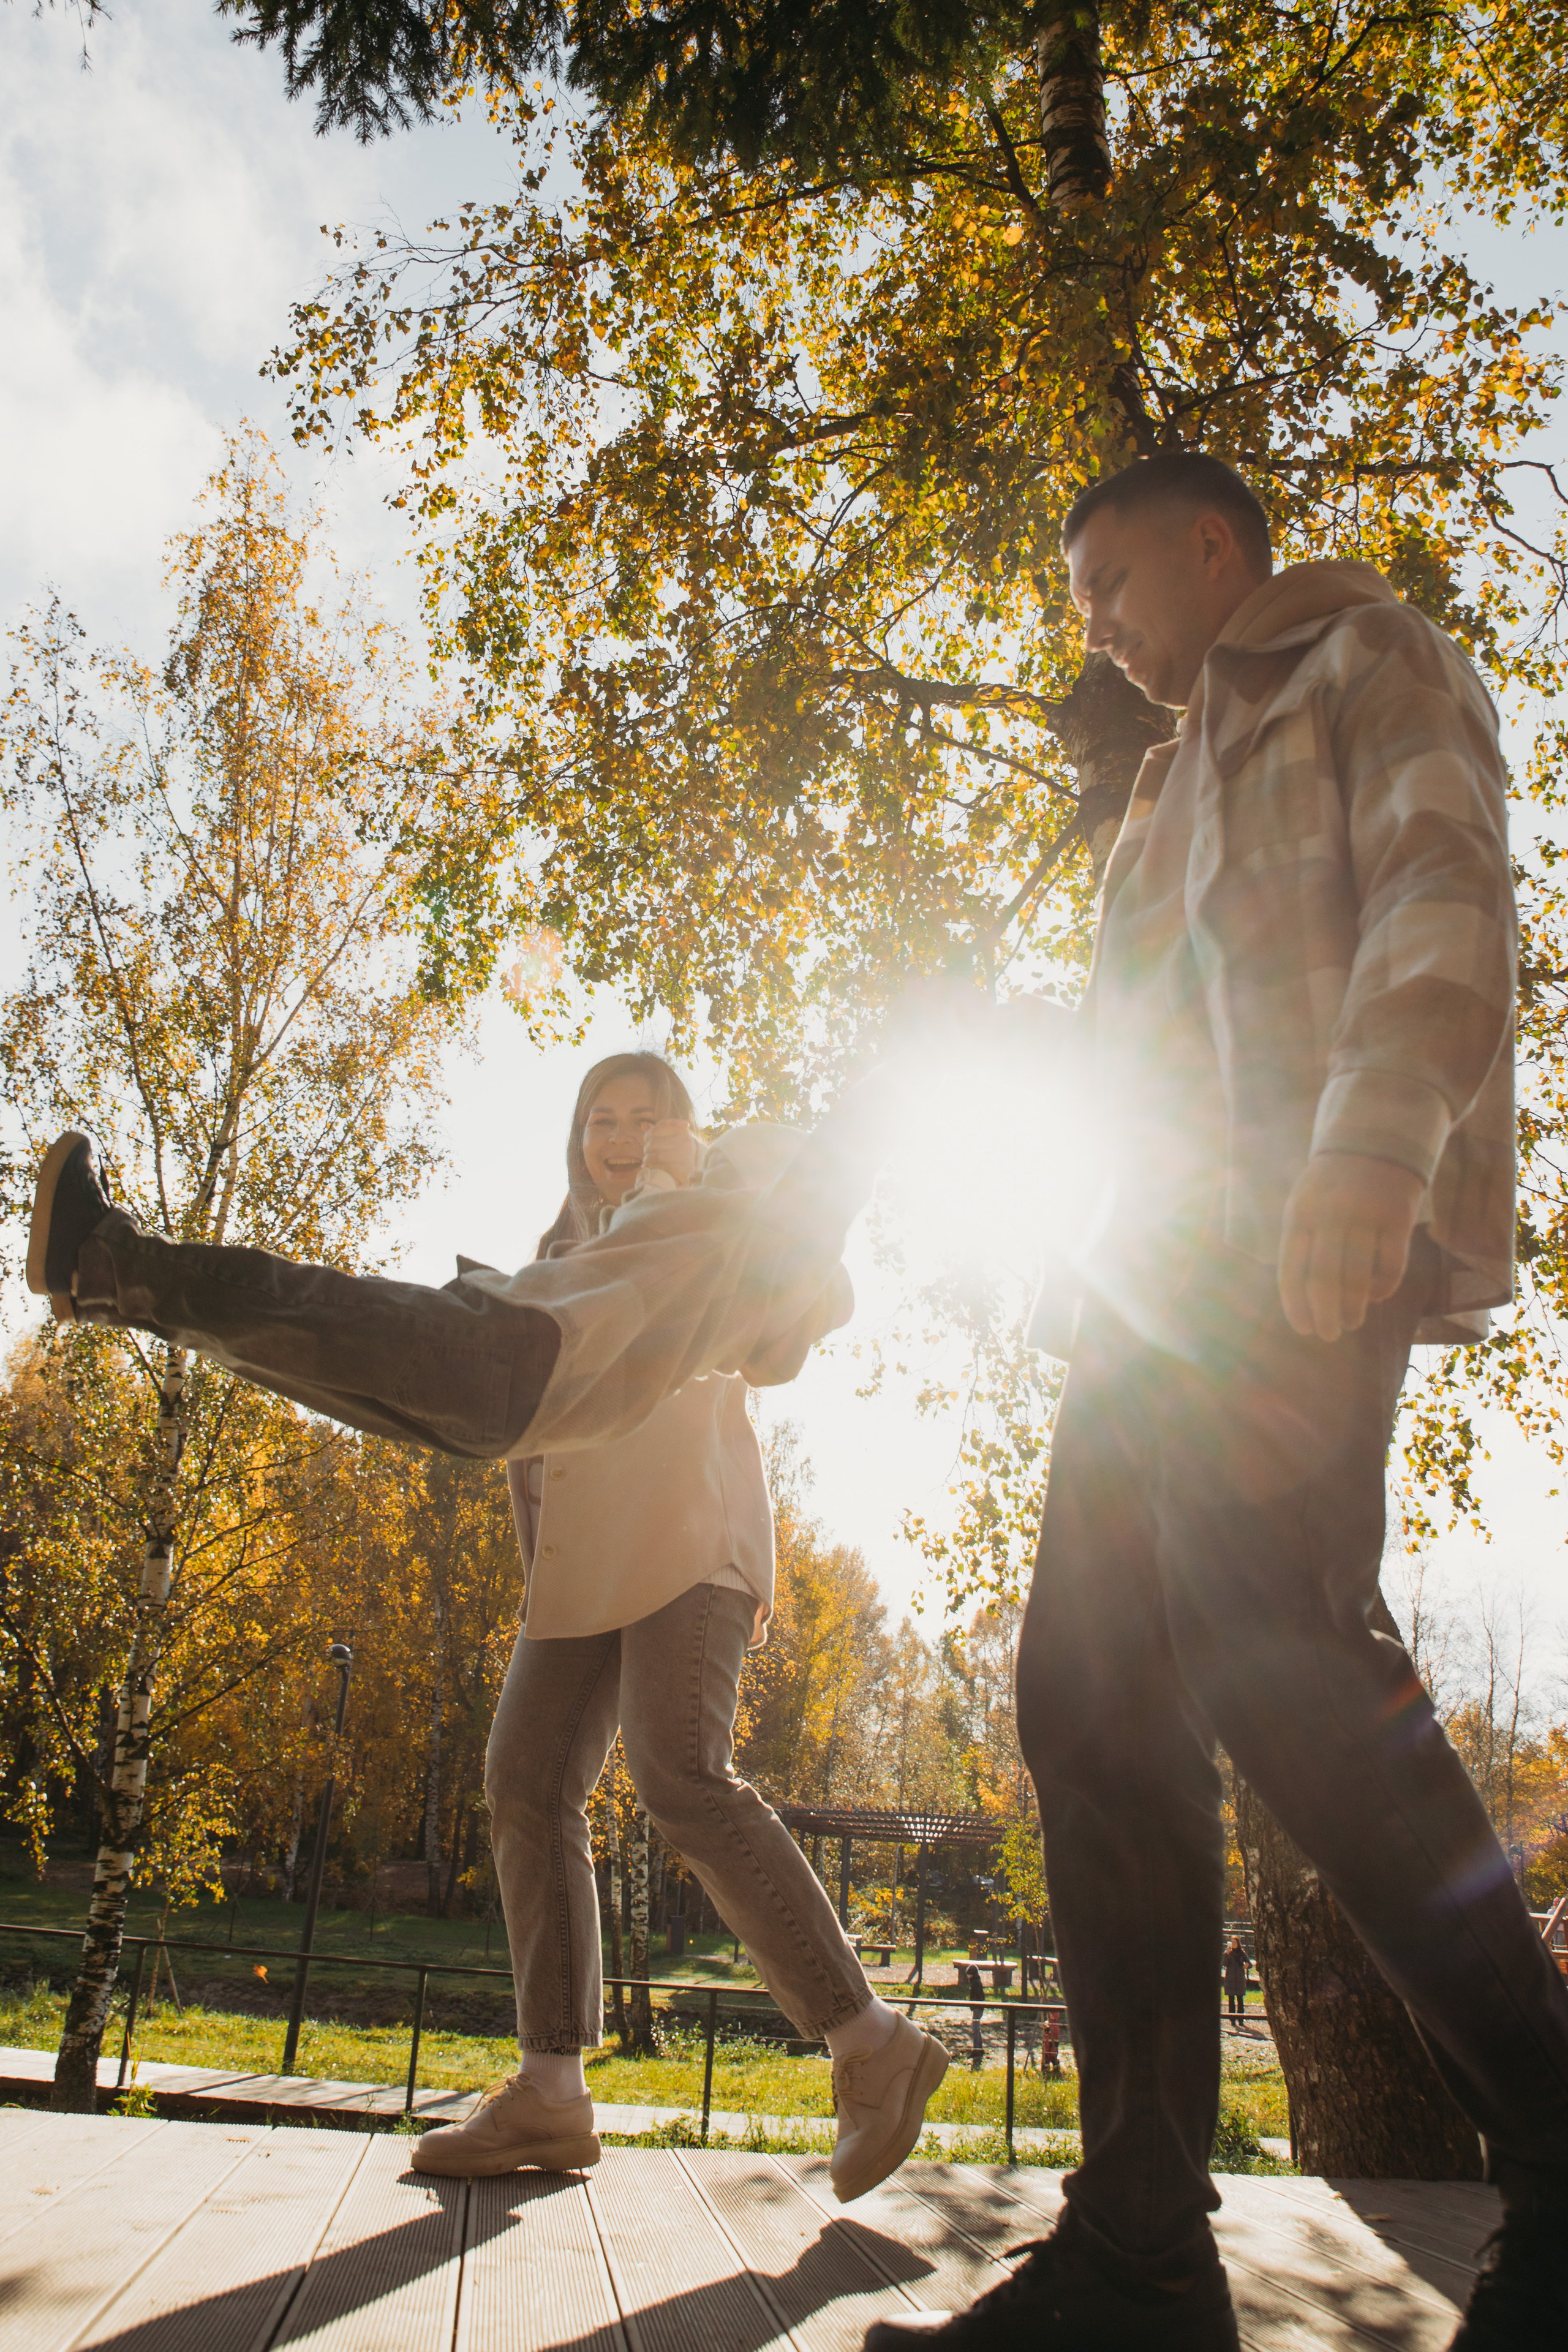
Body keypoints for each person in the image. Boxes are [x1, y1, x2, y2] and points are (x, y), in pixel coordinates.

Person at [864, 453, 1568, 2352]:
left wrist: (1375, 1145)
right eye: (1069, 587)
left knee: (1268, 1641)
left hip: (1302, 1229)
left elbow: (1441, 884)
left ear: (1210, 547)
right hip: (1150, 1286)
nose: (1085, 611)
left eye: (1104, 572)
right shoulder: (1159, 792)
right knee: (1082, 1695)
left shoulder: (1360, 652)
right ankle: (1141, 2250)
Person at [401, 1052, 948, 2195]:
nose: (621, 1135)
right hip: (579, 1563)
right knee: (523, 1783)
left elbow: (803, 1313)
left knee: (680, 1774)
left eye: (647, 1118)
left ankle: (869, 2045)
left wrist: (689, 1179)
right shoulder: (561, 1258)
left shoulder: (707, 1225)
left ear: (689, 1132)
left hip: (687, 1536)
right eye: (602, 1119)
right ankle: (551, 2094)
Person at [1222, 1939, 1249, 2028]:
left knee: (1240, 2000)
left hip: (1240, 1979)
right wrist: (1226, 1954)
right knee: (1231, 2000)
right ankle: (1232, 2020)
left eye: (1235, 1943)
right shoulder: (1228, 1954)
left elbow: (1249, 1963)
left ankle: (1241, 2020)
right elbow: (1224, 1964)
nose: (1233, 1944)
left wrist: (1247, 1965)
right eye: (1232, 1943)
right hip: (1230, 1979)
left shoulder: (1242, 1953)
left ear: (1238, 1943)